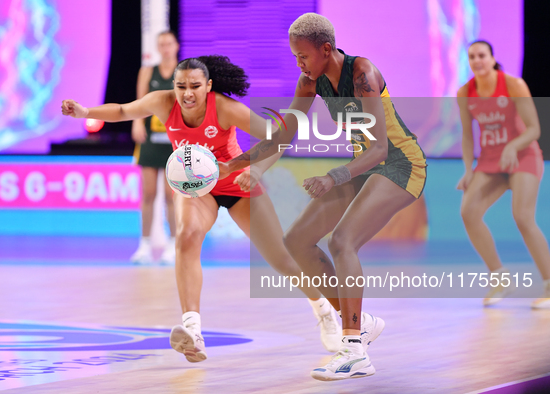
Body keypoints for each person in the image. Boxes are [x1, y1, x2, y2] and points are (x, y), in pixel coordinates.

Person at [61, 55, 384, 363]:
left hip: (236, 184)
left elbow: (278, 139)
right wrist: (85, 110)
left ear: (209, 86)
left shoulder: (227, 109)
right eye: (181, 86)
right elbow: (121, 110)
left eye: (195, 86)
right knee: (186, 237)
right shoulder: (163, 102)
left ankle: (324, 311)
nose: (187, 93)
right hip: (194, 188)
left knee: (282, 259)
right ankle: (193, 329)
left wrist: (254, 171)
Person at [220, 13, 427, 380]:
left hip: (400, 164)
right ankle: (361, 323)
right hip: (363, 166)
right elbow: (282, 135)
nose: (299, 64)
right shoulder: (310, 82)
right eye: (295, 57)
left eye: (303, 56)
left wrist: (333, 177)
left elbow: (380, 148)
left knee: (343, 241)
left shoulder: (363, 73)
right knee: (296, 242)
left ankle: (354, 349)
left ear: (326, 49)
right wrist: (236, 165)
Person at [457, 40, 550, 309]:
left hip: (522, 156)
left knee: (522, 216)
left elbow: (534, 129)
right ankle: (499, 277)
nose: (477, 61)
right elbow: (466, 135)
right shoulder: (465, 92)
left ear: (492, 58)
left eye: (482, 55)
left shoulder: (513, 85)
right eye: (472, 56)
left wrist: (513, 145)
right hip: (490, 162)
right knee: (468, 211)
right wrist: (467, 169)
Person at [130, 31, 179, 264]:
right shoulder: (148, 71)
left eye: (169, 43)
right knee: (148, 193)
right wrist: (137, 122)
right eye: (161, 44)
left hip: (174, 140)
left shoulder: (184, 72)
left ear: (176, 46)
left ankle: (172, 245)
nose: (165, 48)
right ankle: (144, 245)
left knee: (172, 195)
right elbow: (139, 103)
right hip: (150, 138)